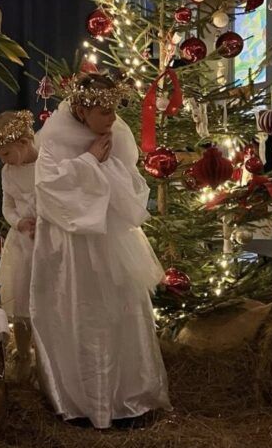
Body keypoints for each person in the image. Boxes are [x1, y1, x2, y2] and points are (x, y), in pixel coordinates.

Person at [30, 73, 170, 429]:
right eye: (103, 111)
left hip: (111, 241)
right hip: (72, 249)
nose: (111, 118)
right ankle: (84, 401)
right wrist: (89, 161)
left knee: (120, 312)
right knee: (83, 314)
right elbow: (48, 189)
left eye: (114, 110)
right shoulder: (54, 139)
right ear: (81, 110)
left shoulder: (116, 134)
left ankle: (127, 397)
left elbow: (129, 184)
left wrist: (104, 168)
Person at [0, 110, 37, 382]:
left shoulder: (47, 163)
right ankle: (23, 353)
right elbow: (8, 206)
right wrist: (19, 222)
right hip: (23, 244)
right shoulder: (9, 171)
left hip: (48, 243)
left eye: (6, 154)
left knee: (44, 298)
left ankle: (48, 356)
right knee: (21, 298)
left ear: (24, 143)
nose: (3, 160)